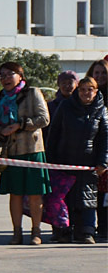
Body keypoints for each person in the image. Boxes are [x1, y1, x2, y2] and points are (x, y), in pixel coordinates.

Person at [0, 62, 51, 246]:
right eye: (2, 76)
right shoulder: (1, 97)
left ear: (20, 76)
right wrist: (1, 133)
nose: (5, 79)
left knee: (35, 194)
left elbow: (44, 118)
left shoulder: (32, 92)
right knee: (15, 194)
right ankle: (16, 232)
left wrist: (20, 125)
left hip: (32, 150)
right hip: (12, 151)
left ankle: (36, 231)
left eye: (10, 74)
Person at [44, 77, 107, 245]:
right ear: (77, 91)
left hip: (89, 164)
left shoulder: (101, 110)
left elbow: (105, 139)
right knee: (63, 198)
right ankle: (62, 230)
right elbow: (54, 132)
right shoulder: (65, 107)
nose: (86, 93)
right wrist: (51, 158)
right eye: (82, 90)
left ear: (95, 91)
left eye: (89, 90)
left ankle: (87, 231)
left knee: (87, 199)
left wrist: (103, 162)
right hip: (64, 160)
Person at [42, 70, 80, 242]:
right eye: (63, 81)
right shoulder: (51, 106)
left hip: (77, 158)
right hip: (56, 158)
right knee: (56, 196)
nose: (67, 84)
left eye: (71, 81)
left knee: (75, 197)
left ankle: (76, 228)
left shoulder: (82, 104)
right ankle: (58, 229)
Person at [89, 59, 108, 239]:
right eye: (97, 73)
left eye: (104, 73)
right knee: (96, 189)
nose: (100, 76)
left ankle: (104, 226)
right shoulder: (88, 94)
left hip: (106, 148)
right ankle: (97, 225)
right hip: (91, 148)